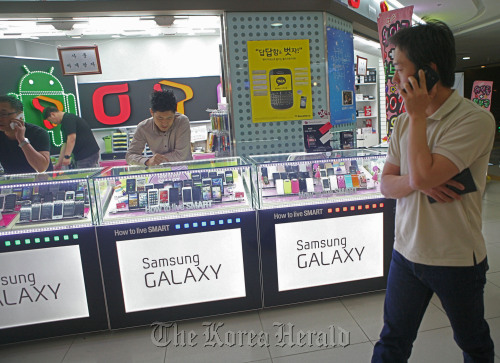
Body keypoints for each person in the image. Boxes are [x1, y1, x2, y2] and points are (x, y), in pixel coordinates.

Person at [371, 21, 495, 362]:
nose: (394, 79)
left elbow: (422, 175)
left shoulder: (475, 121)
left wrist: (417, 120)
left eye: (399, 68)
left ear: (428, 71)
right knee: (392, 340)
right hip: (405, 252)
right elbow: (387, 184)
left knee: (473, 342)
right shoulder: (404, 123)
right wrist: (416, 181)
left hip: (455, 257)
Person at [126, 90, 192, 166]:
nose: (164, 123)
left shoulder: (182, 121)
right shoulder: (143, 128)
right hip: (160, 173)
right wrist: (147, 161)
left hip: (184, 172)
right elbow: (130, 156)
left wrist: (155, 161)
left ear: (175, 113)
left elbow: (180, 155)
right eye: (160, 118)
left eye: (169, 118)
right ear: (151, 112)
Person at [0, 95, 52, 174]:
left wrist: (22, 140)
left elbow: (41, 168)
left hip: (42, 182)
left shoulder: (38, 133)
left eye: (3, 114)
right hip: (13, 183)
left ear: (20, 115)